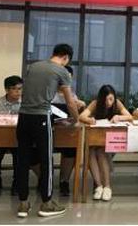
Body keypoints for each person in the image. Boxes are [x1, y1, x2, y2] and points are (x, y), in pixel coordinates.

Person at [16, 44, 79, 218]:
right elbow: (70, 102)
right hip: (42, 117)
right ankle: (47, 203)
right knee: (46, 161)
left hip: (23, 117)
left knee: (23, 159)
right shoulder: (62, 71)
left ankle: (23, 203)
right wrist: (76, 119)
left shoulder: (33, 66)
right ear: (66, 57)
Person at [79, 84, 132, 201]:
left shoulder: (117, 103)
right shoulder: (95, 103)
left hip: (111, 141)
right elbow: (81, 116)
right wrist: (89, 119)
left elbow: (130, 117)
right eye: (106, 100)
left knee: (101, 151)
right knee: (90, 151)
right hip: (96, 139)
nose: (108, 102)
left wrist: (119, 117)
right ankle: (99, 186)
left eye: (111, 99)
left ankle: (107, 187)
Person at [50, 65, 86, 196]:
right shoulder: (49, 93)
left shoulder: (72, 95)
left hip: (66, 131)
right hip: (49, 130)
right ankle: (44, 179)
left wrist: (81, 107)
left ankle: (64, 181)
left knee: (71, 149)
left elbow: (77, 117)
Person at [0, 75, 23, 194]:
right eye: (14, 89)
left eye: (20, 89)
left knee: (20, 156)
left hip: (17, 137)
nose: (18, 92)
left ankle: (17, 183)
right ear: (7, 90)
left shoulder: (25, 103)